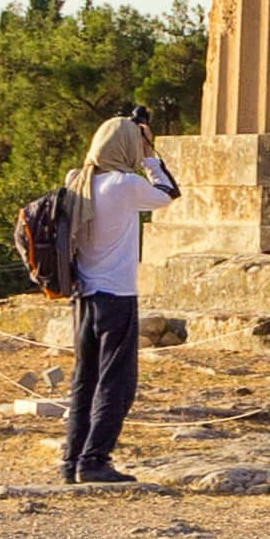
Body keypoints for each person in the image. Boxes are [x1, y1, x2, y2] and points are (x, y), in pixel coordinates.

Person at [59, 109, 179, 486]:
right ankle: (95, 459)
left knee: (85, 381)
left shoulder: (76, 180)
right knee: (118, 383)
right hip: (117, 297)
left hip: (84, 298)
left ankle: (72, 460)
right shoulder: (125, 185)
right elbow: (169, 194)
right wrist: (148, 154)